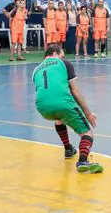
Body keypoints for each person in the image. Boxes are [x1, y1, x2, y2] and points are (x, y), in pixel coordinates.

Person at [32, 45, 103, 174]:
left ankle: (68, 149)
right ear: (55, 53)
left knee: (59, 118)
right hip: (62, 103)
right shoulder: (63, 63)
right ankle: (82, 161)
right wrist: (88, 113)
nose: (62, 58)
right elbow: (75, 92)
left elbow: (43, 90)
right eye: (61, 55)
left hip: (42, 107)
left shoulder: (36, 70)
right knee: (87, 133)